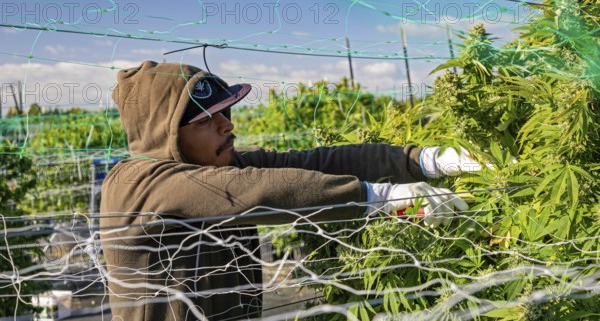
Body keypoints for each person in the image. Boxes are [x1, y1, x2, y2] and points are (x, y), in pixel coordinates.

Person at [100, 60, 476, 320]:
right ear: (166, 134)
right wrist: (383, 199)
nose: (226, 126)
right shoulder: (136, 184)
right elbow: (255, 191)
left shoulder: (223, 164)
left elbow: (316, 164)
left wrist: (428, 160)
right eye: (206, 121)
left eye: (226, 113)